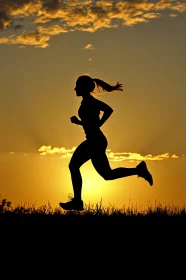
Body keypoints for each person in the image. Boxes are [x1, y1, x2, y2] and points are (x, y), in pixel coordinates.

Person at [59, 75, 153, 211]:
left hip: (95, 141)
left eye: (77, 86)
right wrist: (84, 123)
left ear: (83, 88)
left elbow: (108, 110)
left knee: (73, 166)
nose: (74, 89)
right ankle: (139, 170)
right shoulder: (87, 102)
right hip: (95, 140)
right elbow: (93, 121)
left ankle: (78, 201)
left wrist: (96, 124)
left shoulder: (90, 102)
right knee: (107, 175)